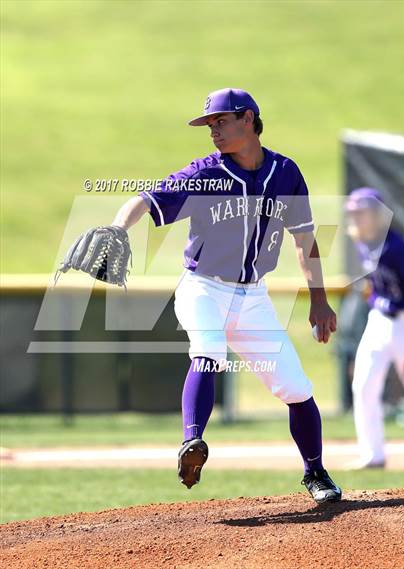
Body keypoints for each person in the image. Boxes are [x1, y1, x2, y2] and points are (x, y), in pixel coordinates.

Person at [112, 88, 342, 504]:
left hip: (253, 297)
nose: (212, 131)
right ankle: (192, 443)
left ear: (248, 119)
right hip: (203, 288)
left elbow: (305, 239)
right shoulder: (205, 173)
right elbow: (145, 199)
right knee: (209, 352)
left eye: (220, 121)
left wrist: (320, 299)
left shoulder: (286, 173)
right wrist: (116, 227)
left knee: (296, 387)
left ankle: (316, 472)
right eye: (209, 125)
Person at [345, 187, 404, 468]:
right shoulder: (361, 242)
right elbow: (371, 285)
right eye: (353, 213)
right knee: (363, 385)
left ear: (377, 215)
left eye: (361, 213)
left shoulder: (397, 248)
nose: (356, 218)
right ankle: (373, 454)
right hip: (378, 320)